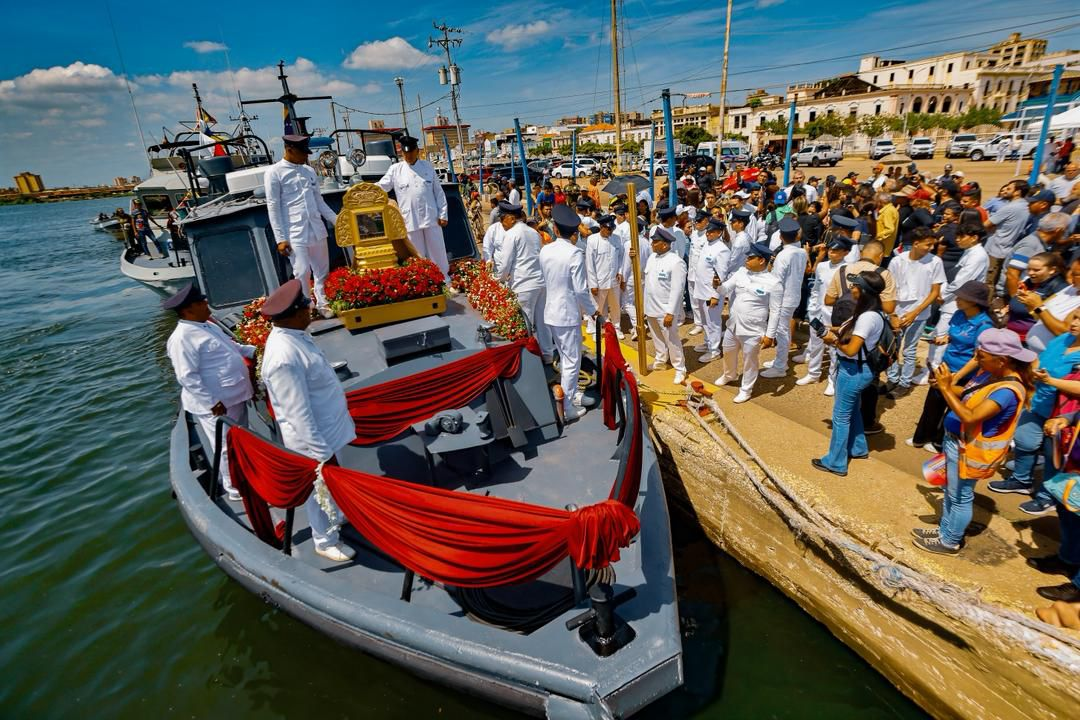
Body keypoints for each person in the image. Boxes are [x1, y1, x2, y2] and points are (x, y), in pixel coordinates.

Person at [259, 279, 357, 562]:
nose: (309, 310)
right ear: (290, 315)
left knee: (328, 486)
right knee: (319, 488)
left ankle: (336, 516)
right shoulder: (283, 357)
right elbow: (296, 413)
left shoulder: (295, 336)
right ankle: (325, 540)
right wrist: (320, 453)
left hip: (328, 427)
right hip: (314, 439)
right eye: (304, 308)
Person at [912, 328, 1033, 555]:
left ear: (1002, 360)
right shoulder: (991, 374)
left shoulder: (1007, 390)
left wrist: (946, 389)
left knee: (960, 497)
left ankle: (950, 541)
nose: (976, 360)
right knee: (950, 490)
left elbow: (970, 416)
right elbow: (968, 393)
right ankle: (944, 530)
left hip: (969, 451)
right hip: (956, 442)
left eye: (981, 357)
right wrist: (944, 384)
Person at [164, 283, 255, 503]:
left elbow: (232, 347)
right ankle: (234, 486)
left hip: (234, 395)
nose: (207, 305)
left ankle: (246, 475)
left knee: (241, 437)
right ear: (188, 310)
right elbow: (187, 376)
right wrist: (211, 402)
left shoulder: (206, 326)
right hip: (218, 403)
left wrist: (256, 350)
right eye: (201, 303)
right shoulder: (182, 338)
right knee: (225, 445)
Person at [988, 309, 1080, 516]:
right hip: (1039, 401)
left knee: (1053, 456)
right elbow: (1041, 359)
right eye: (1075, 317)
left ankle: (1046, 497)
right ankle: (1021, 480)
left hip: (1065, 413)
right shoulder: (1064, 339)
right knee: (1024, 441)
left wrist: (1051, 381)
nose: (1074, 323)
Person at [812, 272, 887, 477]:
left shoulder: (866, 317)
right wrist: (830, 329)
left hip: (852, 370)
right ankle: (858, 448)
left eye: (855, 286)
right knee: (852, 410)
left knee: (840, 417)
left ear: (863, 291)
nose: (851, 289)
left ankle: (835, 462)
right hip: (859, 370)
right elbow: (851, 330)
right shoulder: (873, 313)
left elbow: (852, 349)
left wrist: (832, 341)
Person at [909, 281, 995, 452]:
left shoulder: (984, 325)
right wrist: (945, 339)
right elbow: (954, 333)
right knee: (933, 402)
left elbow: (978, 357)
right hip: (945, 366)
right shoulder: (959, 314)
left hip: (964, 373)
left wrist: (956, 377)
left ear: (974, 301)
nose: (957, 299)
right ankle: (922, 436)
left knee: (953, 407)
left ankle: (939, 441)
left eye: (962, 297)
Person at [265, 135, 340, 318]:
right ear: (289, 149)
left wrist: (337, 221)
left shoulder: (309, 171)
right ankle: (308, 305)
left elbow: (319, 201)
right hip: (294, 231)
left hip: (316, 228)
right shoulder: (274, 172)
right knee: (302, 271)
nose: (305, 157)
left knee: (322, 270)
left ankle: (323, 302)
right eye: (302, 152)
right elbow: (273, 207)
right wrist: (280, 239)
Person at [540, 204, 598, 421]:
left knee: (565, 358)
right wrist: (593, 311)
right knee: (572, 360)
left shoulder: (546, 250)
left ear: (555, 229)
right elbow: (581, 289)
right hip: (566, 314)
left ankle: (572, 394)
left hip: (551, 312)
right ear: (574, 233)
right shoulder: (574, 253)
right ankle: (568, 407)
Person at [716, 242, 782, 403]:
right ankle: (729, 374)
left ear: (761, 261)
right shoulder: (741, 273)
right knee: (728, 351)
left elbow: (775, 311)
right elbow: (724, 289)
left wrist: (770, 335)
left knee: (749, 360)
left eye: (750, 257)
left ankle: (746, 389)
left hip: (753, 329)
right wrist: (717, 285)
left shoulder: (773, 283)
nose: (746, 260)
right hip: (734, 324)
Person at [376, 135, 450, 279]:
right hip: (410, 219)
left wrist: (443, 214)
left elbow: (438, 192)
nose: (408, 156)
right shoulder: (395, 170)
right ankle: (422, 281)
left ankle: (444, 279)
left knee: (438, 251)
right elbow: (381, 187)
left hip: (431, 217)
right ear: (401, 153)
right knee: (417, 254)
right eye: (405, 153)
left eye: (411, 152)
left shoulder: (427, 167)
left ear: (417, 151)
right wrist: (363, 189)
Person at [885, 227, 944, 391]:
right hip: (897, 312)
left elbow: (935, 292)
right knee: (893, 347)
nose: (931, 248)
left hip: (919, 314)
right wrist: (893, 314)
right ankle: (892, 378)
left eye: (933, 245)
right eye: (928, 244)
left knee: (910, 349)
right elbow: (890, 288)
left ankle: (904, 382)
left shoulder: (935, 262)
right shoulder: (898, 261)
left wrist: (915, 312)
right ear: (916, 243)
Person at [494, 202, 553, 362]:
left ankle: (530, 359)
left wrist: (498, 279)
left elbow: (505, 263)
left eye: (502, 220)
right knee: (543, 321)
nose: (501, 223)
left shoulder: (511, 234)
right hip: (540, 283)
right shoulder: (533, 232)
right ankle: (548, 354)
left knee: (525, 324)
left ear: (511, 218)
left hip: (524, 284)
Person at [927, 223, 991, 370]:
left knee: (941, 333)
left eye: (962, 236)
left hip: (958, 298)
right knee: (943, 333)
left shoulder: (978, 256)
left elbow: (961, 280)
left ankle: (935, 368)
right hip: (954, 297)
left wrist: (942, 295)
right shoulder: (970, 251)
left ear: (974, 238)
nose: (957, 240)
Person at [799, 236, 852, 392]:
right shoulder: (822, 266)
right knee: (815, 344)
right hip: (818, 311)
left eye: (836, 251)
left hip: (835, 315)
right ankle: (813, 373)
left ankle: (832, 380)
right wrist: (812, 308)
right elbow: (816, 289)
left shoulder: (848, 269)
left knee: (834, 349)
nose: (831, 253)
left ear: (845, 252)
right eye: (830, 249)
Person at [762, 217, 808, 379]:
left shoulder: (783, 255)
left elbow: (776, 281)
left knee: (781, 332)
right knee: (784, 331)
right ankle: (779, 361)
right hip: (793, 296)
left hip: (783, 299)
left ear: (781, 236)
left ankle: (780, 366)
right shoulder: (802, 251)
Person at [643, 227, 688, 385]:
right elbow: (648, 284)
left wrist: (671, 312)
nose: (652, 244)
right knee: (657, 337)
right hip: (651, 307)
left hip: (665, 310)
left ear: (665, 244)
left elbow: (677, 290)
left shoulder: (676, 262)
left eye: (655, 242)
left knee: (672, 340)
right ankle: (661, 359)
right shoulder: (652, 258)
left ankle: (680, 368)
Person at [690, 217, 731, 363]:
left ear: (719, 232)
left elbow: (721, 275)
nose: (708, 233)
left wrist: (715, 295)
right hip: (701, 290)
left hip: (711, 292)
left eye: (712, 231)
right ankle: (708, 342)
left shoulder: (722, 250)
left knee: (713, 322)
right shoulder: (708, 244)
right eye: (708, 230)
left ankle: (714, 350)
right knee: (705, 320)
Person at [1019, 256, 1080, 354]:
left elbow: (1065, 332)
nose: (1069, 276)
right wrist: (1030, 304)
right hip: (1031, 349)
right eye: (1070, 271)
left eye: (1075, 274)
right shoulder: (1070, 289)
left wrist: (1038, 306)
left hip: (1048, 357)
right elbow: (1040, 315)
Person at [1005, 251, 1068, 340]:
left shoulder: (1060, 289)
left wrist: (1036, 306)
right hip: (1011, 333)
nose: (1030, 273)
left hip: (1029, 339)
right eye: (1029, 269)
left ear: (1052, 270)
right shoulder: (1028, 282)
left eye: (1036, 270)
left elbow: (1050, 317)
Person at [984, 179, 1032, 292]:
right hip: (1008, 249)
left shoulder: (1009, 208)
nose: (1005, 191)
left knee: (988, 282)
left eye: (1009, 189)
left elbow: (986, 224)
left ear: (1017, 192)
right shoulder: (1026, 206)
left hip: (996, 250)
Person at [586, 214, 625, 339]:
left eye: (612, 229)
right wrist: (593, 284)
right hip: (599, 280)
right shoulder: (592, 240)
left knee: (615, 307)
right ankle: (595, 330)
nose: (611, 231)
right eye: (609, 229)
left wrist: (620, 271)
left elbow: (621, 258)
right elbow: (590, 264)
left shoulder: (617, 239)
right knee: (597, 307)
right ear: (601, 227)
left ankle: (617, 328)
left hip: (613, 280)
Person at [875, 192, 899, 258]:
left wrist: (878, 236)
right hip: (884, 246)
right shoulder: (890, 209)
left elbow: (890, 229)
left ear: (880, 201)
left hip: (883, 246)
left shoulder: (888, 211)